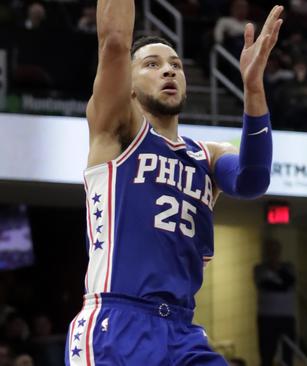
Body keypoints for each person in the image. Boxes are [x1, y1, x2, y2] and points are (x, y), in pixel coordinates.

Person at [65, 1, 282, 365]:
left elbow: (252, 181)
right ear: (128, 85)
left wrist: (254, 89)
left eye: (176, 65)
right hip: (116, 322)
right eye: (152, 64)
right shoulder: (118, 130)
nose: (168, 70)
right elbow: (116, 42)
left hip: (182, 332)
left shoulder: (208, 155)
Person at [253, 239, 296, 366]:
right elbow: (266, 286)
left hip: (286, 317)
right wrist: (280, 281)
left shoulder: (288, 267)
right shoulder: (259, 269)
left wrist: (277, 271)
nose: (273, 253)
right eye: (270, 251)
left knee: (288, 353)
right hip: (267, 317)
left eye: (275, 250)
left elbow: (289, 283)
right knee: (266, 353)